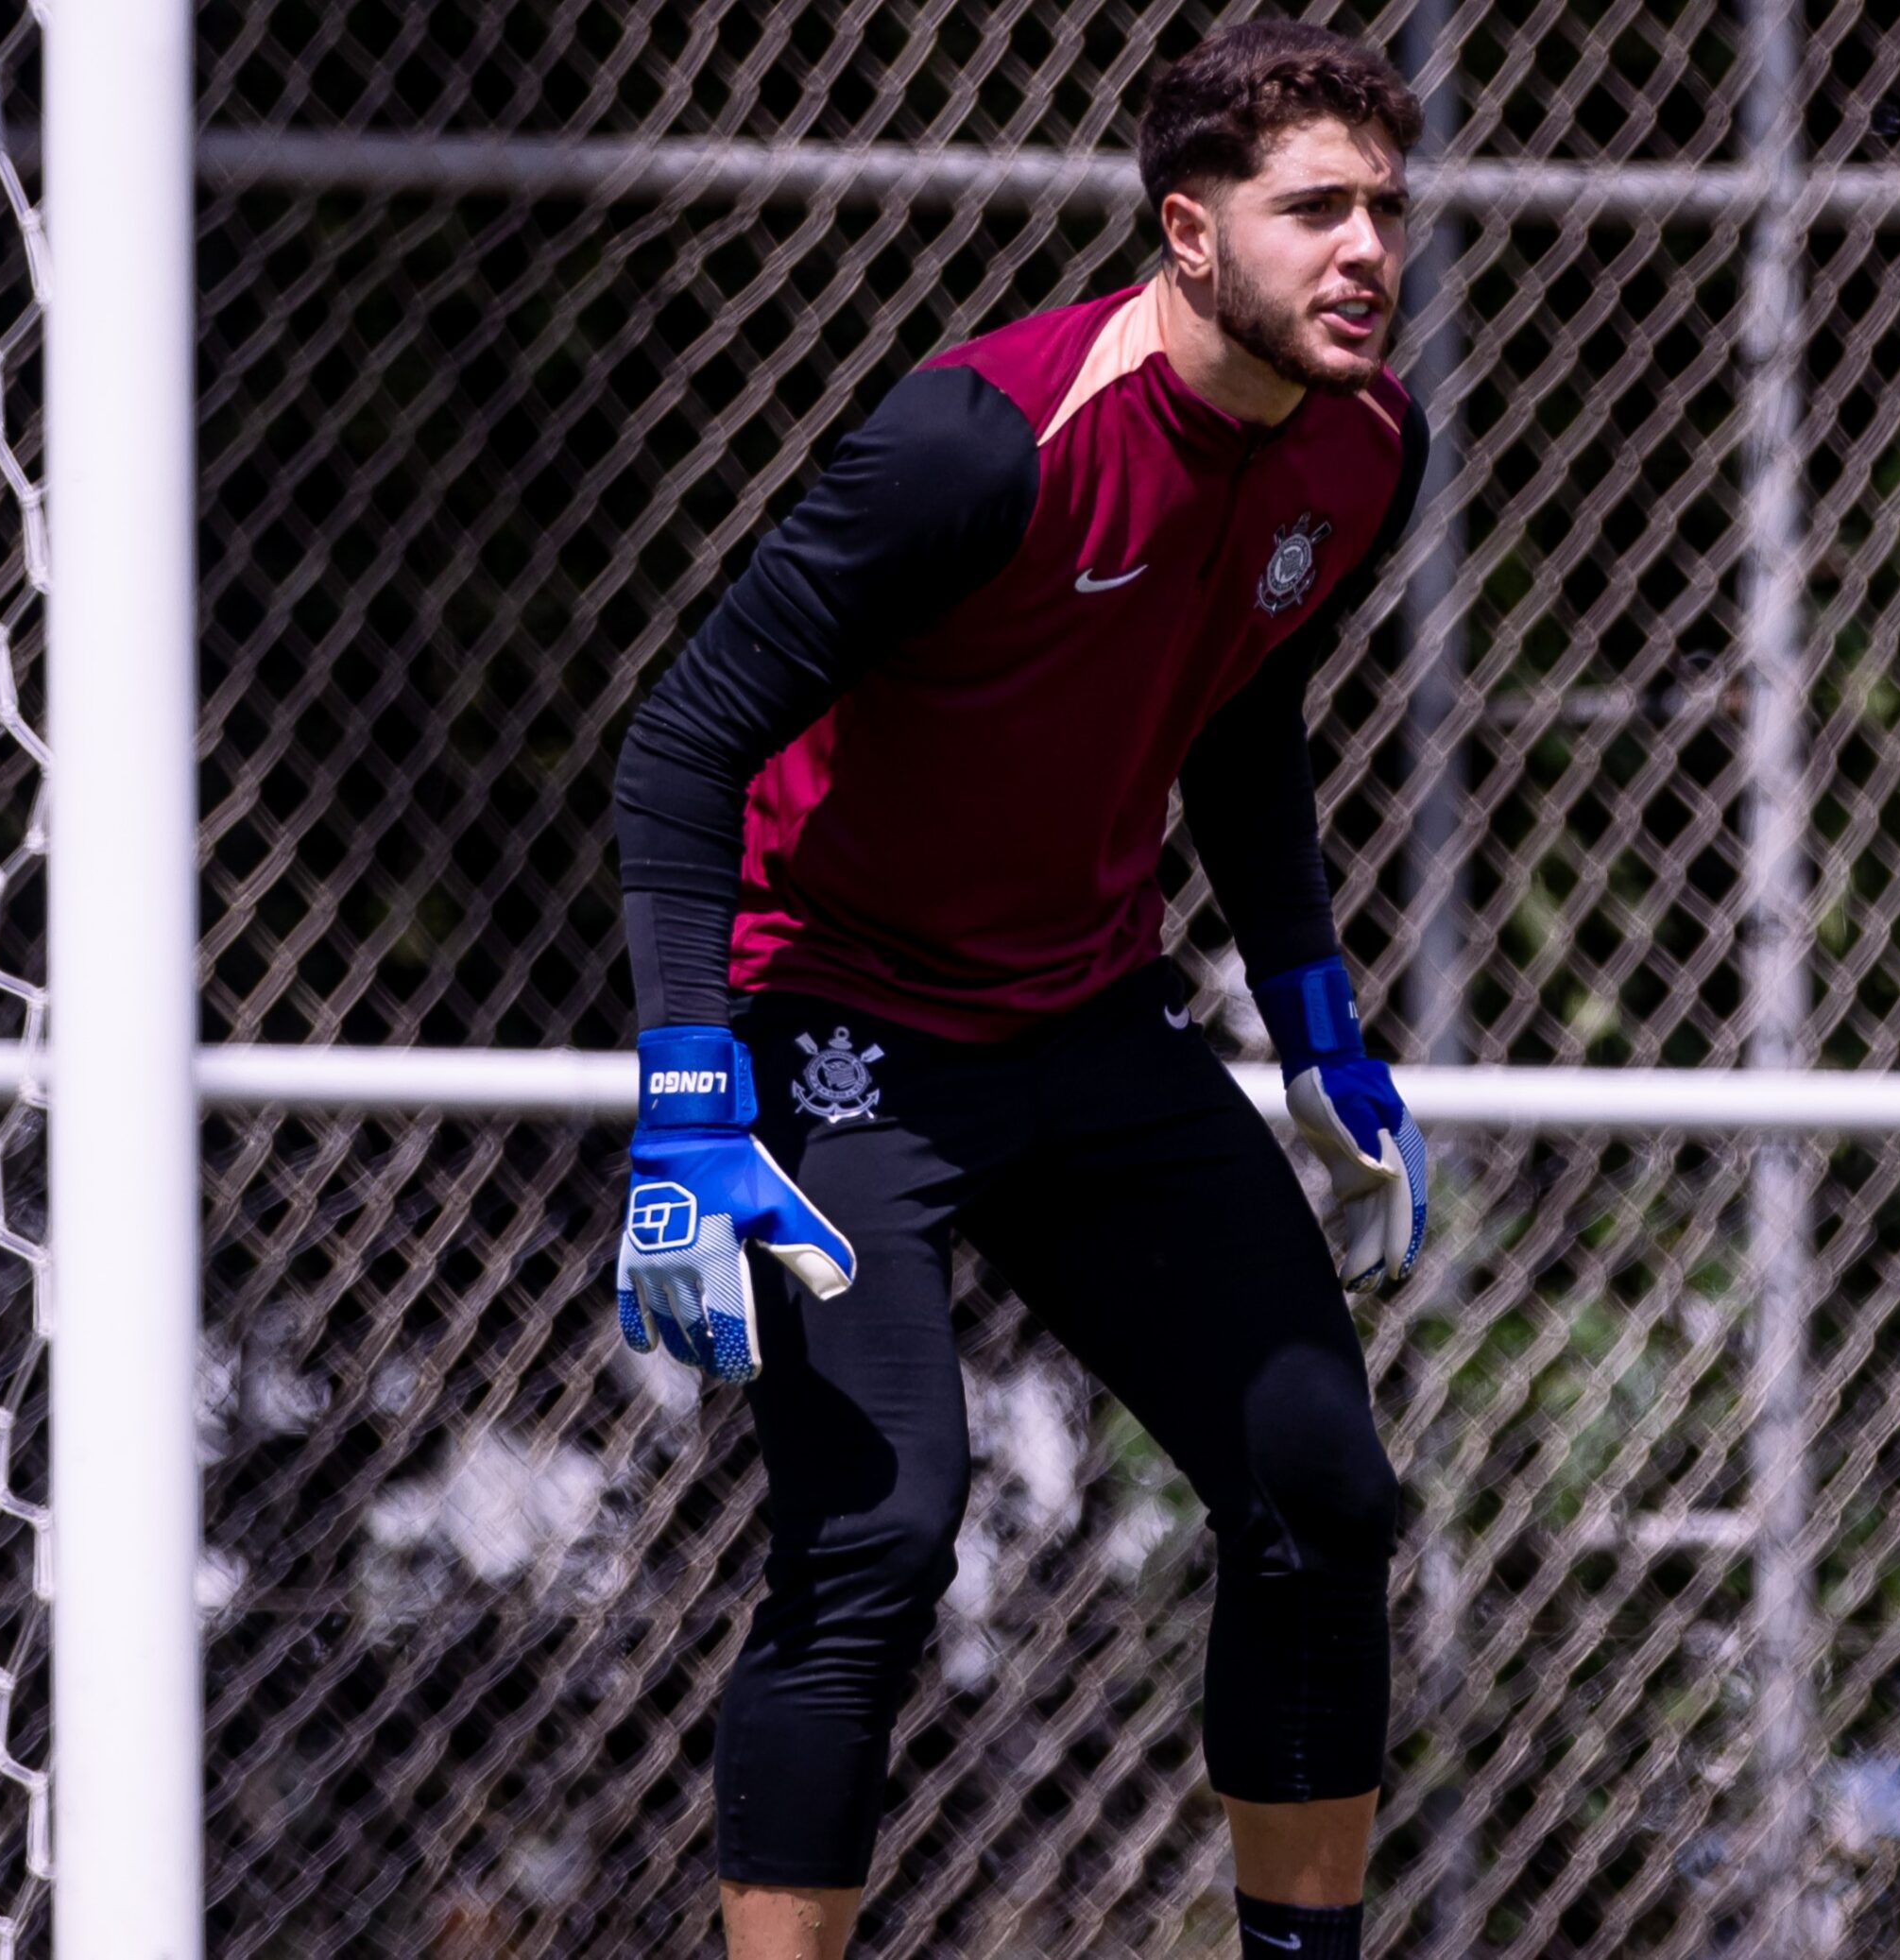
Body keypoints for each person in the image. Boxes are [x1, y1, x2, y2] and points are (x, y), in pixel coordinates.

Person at [611, 21, 1430, 1959]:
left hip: (1085, 1015)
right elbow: (680, 744)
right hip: (835, 1026)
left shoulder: (1360, 442)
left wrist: (1311, 1005)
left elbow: (1237, 711)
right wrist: (682, 1101)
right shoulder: (976, 437)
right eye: (1310, 207)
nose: (1364, 250)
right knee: (880, 1531)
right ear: (1181, 230)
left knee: (1320, 1490)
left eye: (1385, 207)